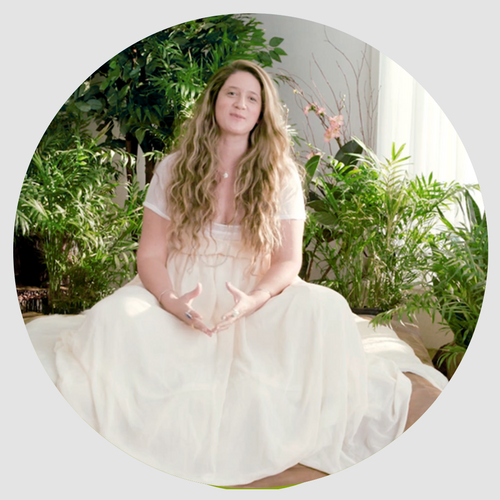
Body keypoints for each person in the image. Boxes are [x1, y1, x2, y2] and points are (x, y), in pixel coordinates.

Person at [46, 60, 413, 486]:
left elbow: (287, 261)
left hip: (255, 295)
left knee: (326, 306)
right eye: (232, 93)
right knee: (113, 318)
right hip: (180, 292)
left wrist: (255, 300)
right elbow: (150, 255)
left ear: (261, 113)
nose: (240, 103)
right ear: (214, 102)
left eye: (252, 98)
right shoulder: (174, 168)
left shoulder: (280, 175)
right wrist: (170, 301)